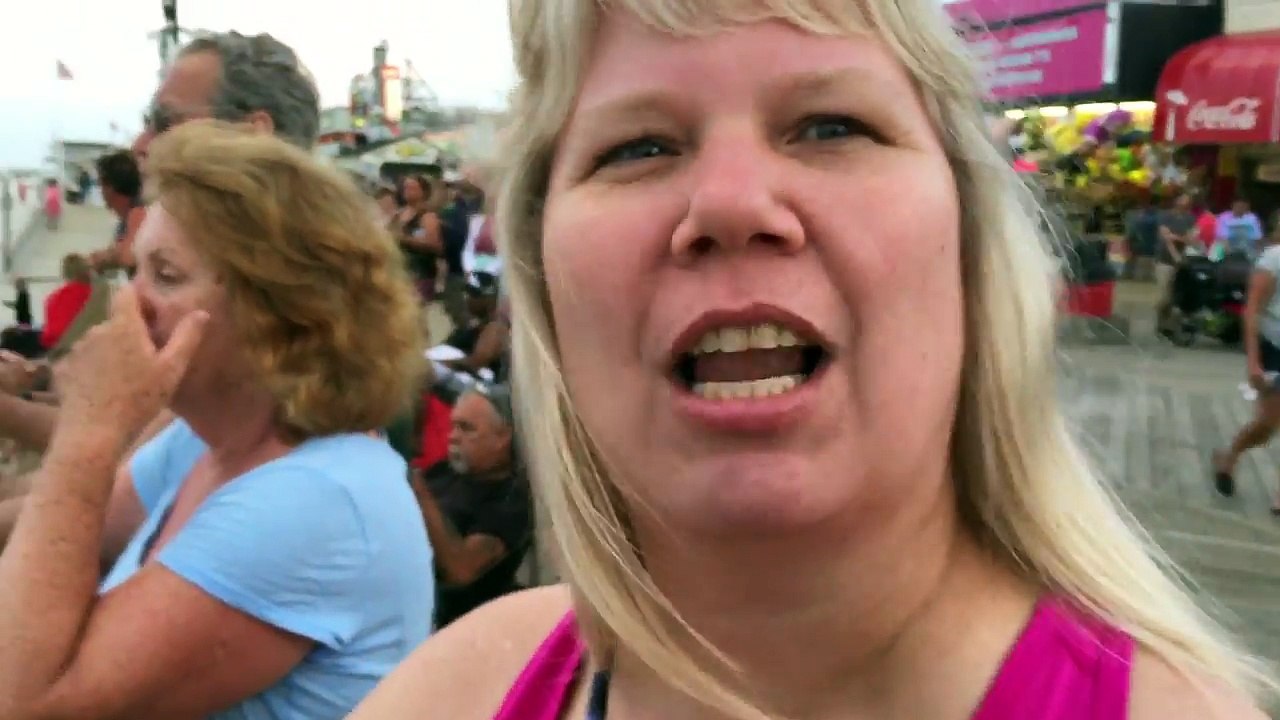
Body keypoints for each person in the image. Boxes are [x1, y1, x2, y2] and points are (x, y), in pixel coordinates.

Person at [351, 2, 1274, 719]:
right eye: (638, 147)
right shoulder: (458, 690)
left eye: (830, 126)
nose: (730, 202)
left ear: (969, 242)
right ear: (542, 280)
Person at [0, 121, 433, 719]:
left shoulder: (314, 502)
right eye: (135, 272)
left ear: (279, 314)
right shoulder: (204, 443)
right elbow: (65, 533)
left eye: (167, 276)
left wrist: (89, 431)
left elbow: (22, 701)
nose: (130, 304)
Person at [0, 29, 321, 460]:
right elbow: (144, 457)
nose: (140, 144)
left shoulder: (263, 304)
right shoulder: (294, 286)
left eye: (165, 122)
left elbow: (119, 462)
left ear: (253, 133)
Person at [412, 384, 531, 629]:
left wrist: (420, 496)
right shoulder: (442, 472)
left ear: (503, 437)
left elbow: (461, 569)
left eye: (467, 429)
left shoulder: (512, 499)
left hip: (456, 624)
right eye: (453, 426)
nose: (453, 436)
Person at [1214, 210, 1280, 512]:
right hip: (1272, 346)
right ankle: (1231, 454)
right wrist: (1253, 360)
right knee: (1267, 424)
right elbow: (1252, 309)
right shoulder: (1272, 260)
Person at [89, 150, 145, 278]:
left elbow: (129, 256)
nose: (100, 191)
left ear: (110, 188)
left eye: (100, 184)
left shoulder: (140, 210)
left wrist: (103, 258)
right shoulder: (126, 219)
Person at [391, 175, 445, 305]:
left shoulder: (427, 216)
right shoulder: (398, 215)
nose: (408, 191)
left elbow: (434, 245)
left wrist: (404, 239)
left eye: (413, 188)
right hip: (400, 273)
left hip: (420, 274)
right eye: (406, 187)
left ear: (424, 192)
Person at [1156, 193, 1201, 335]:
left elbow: (1192, 238)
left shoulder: (1190, 219)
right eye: (1182, 200)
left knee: (1178, 294)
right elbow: (1166, 238)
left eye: (1187, 201)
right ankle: (1161, 322)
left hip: (1183, 261)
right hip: (1165, 260)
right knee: (1165, 296)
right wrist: (1176, 254)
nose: (1184, 203)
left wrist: (1178, 238)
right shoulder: (1165, 216)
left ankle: (1169, 326)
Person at [39, 253, 94, 351]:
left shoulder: (52, 298)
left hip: (56, 350)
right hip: (86, 348)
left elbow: (50, 331)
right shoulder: (95, 295)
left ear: (65, 273)